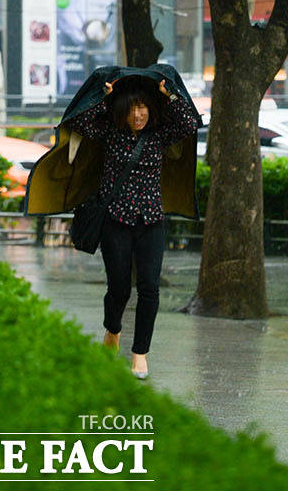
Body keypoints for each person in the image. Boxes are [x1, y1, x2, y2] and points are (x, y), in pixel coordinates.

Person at [67, 75, 199, 379]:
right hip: (116, 221)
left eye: (142, 109)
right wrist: (103, 96)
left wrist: (172, 95)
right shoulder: (111, 132)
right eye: (131, 109)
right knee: (119, 288)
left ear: (151, 109)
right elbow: (81, 123)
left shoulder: (158, 136)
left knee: (150, 288)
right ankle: (112, 330)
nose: (138, 115)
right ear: (123, 110)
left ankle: (140, 354)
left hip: (151, 221)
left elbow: (190, 124)